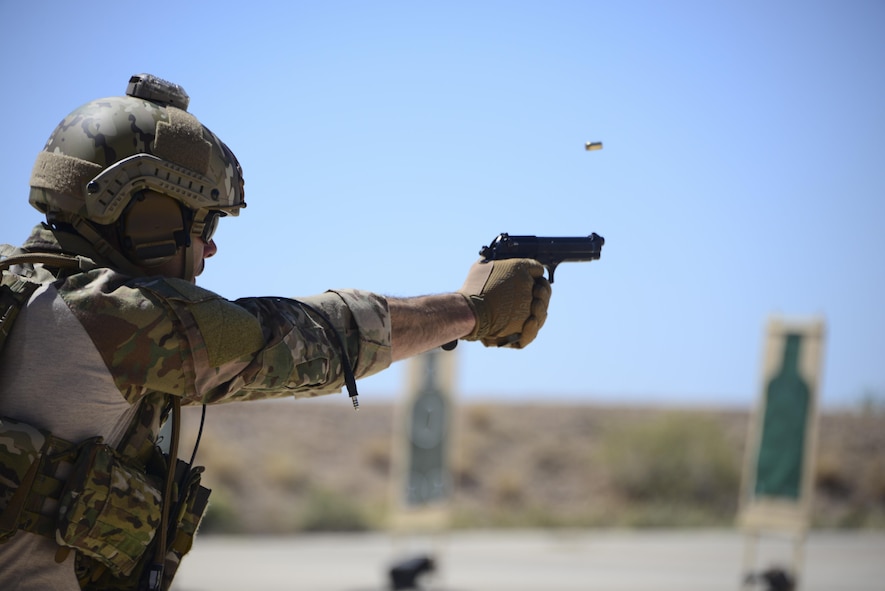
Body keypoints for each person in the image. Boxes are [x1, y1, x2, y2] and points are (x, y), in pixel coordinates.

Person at [0, 74, 552, 591]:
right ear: (143, 214)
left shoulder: (25, 292)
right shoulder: (109, 318)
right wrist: (471, 309)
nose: (210, 246)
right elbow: (311, 342)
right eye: (203, 223)